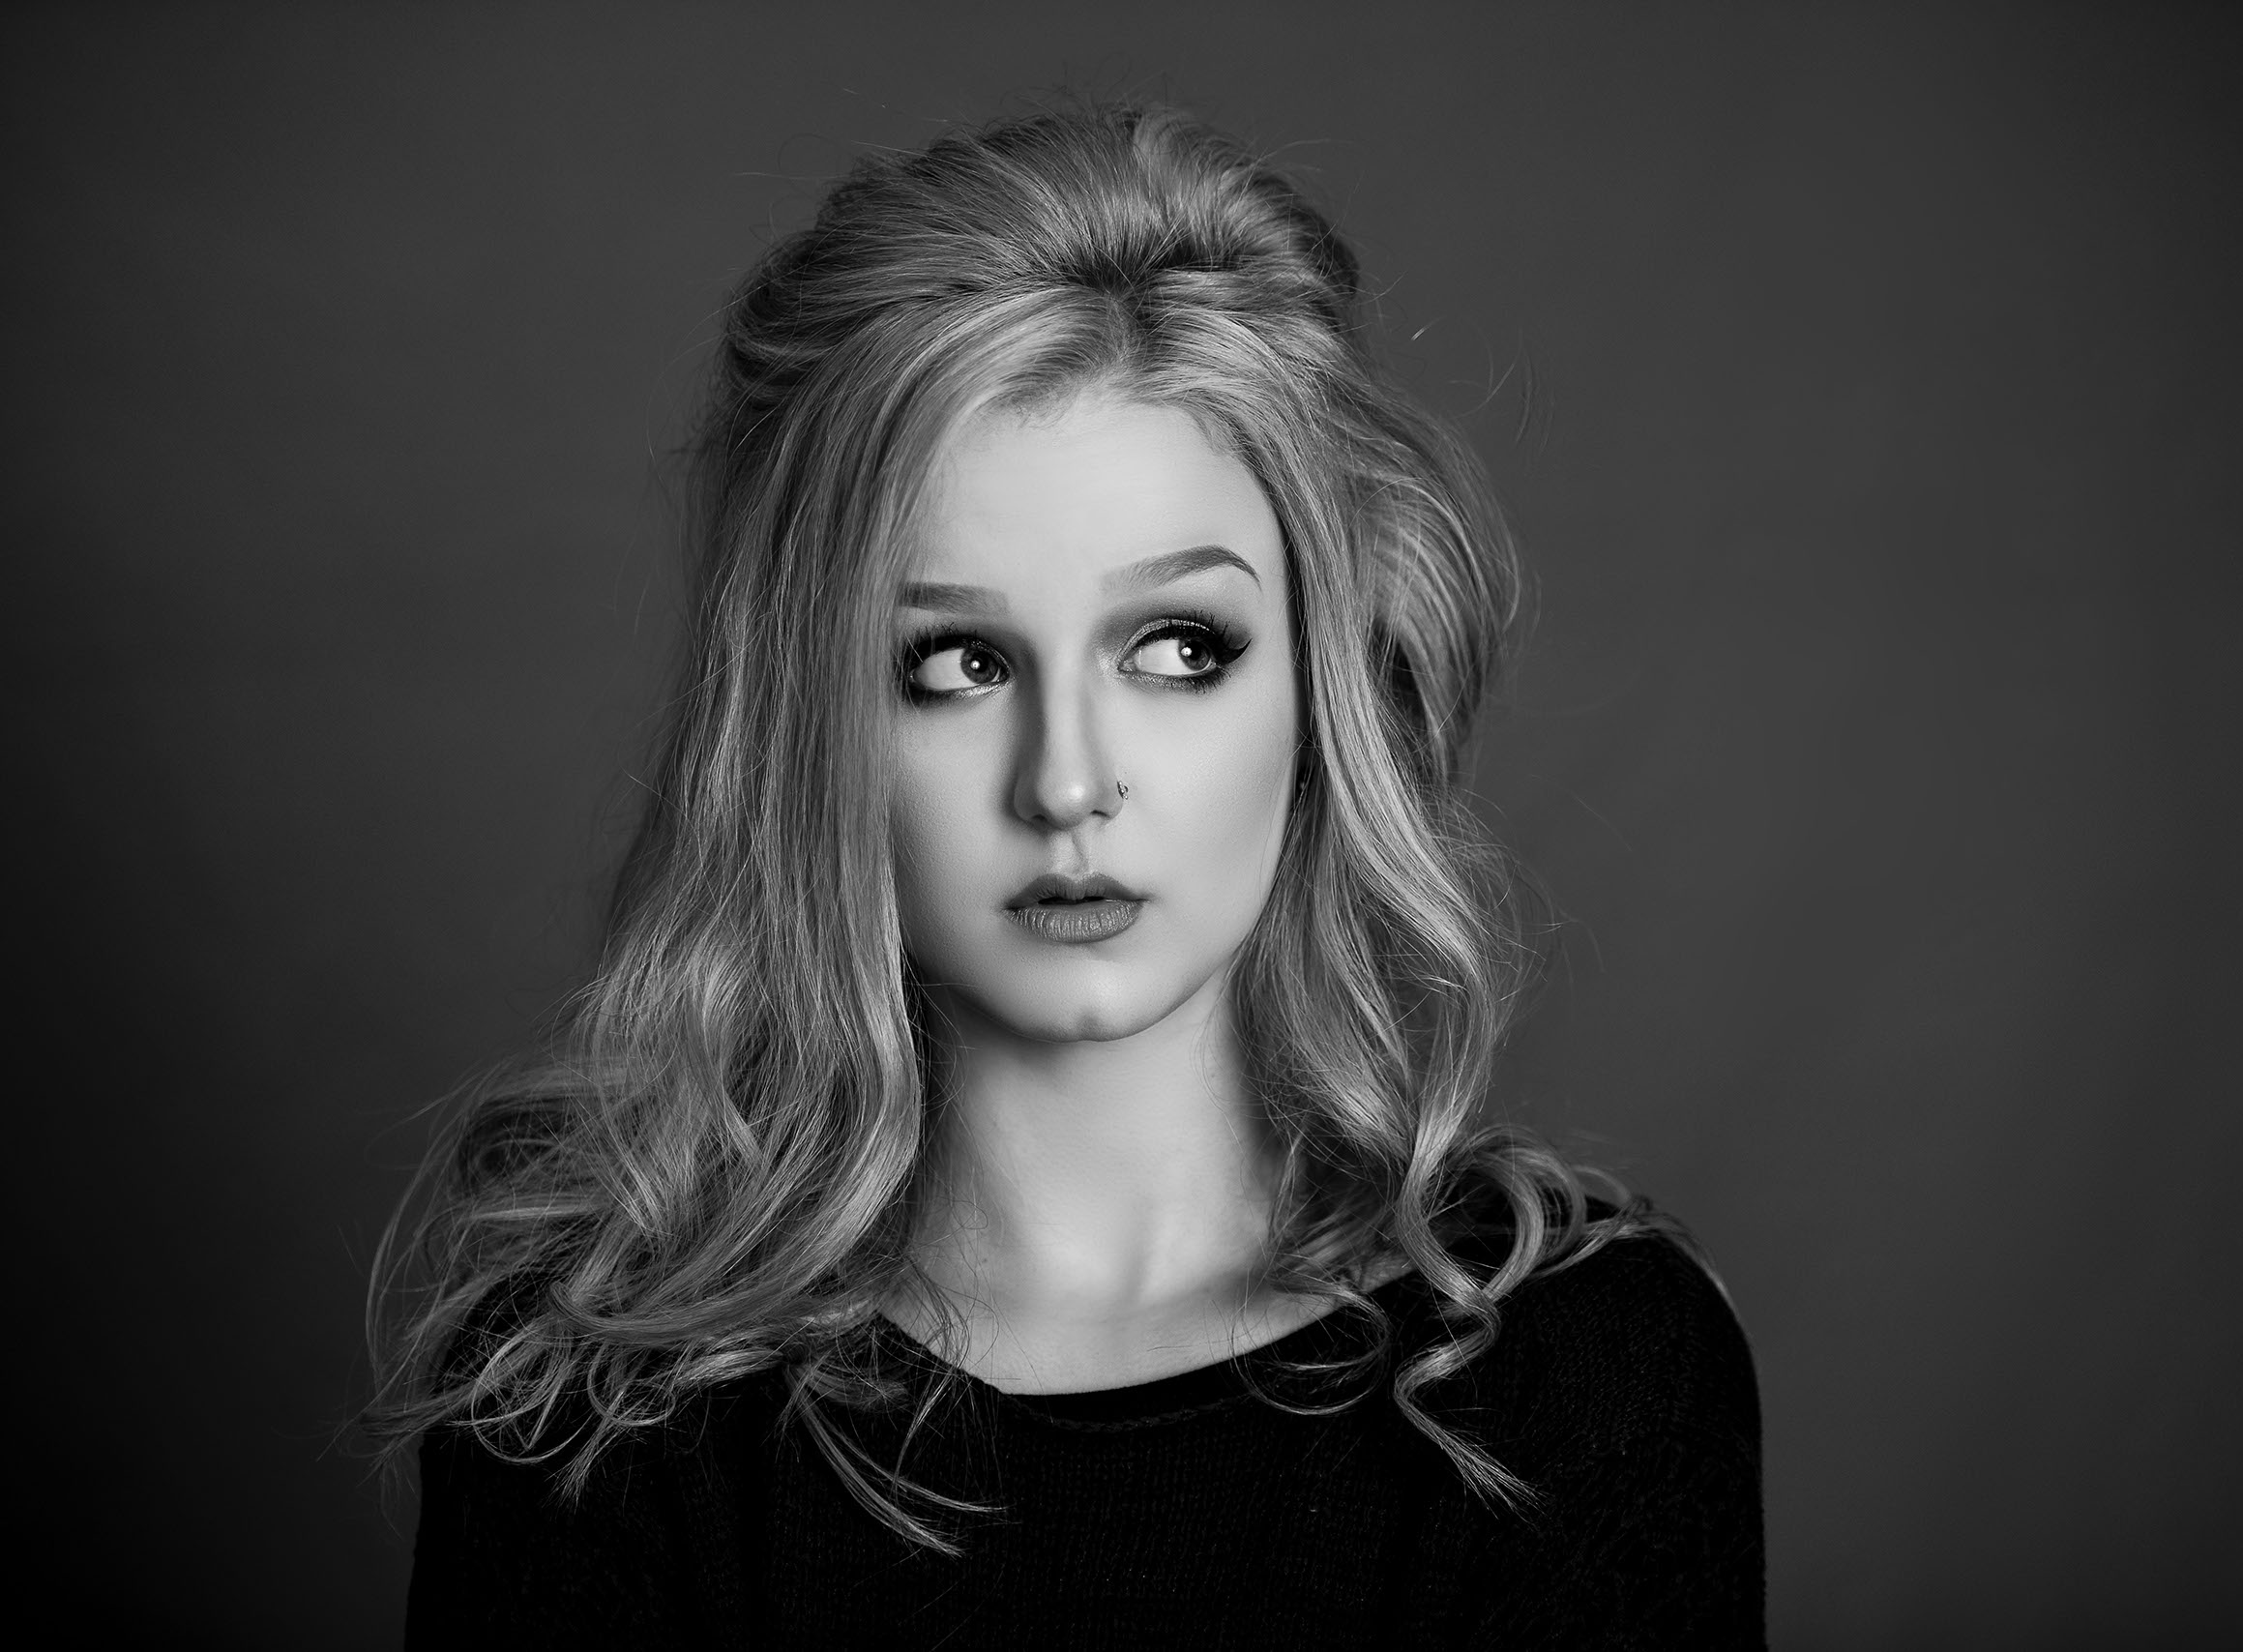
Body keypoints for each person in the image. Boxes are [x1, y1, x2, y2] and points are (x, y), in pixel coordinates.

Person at [368, 100, 1763, 1647]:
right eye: (957, 661)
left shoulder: (1585, 1377)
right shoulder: (593, 1414)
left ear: (1325, 691)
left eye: (1179, 647)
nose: (1070, 780)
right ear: (809, 726)